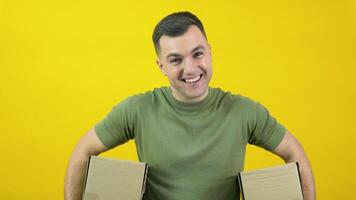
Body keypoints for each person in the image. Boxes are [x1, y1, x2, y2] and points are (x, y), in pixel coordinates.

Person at [64, 11, 316, 200]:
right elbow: (82, 152)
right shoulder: (138, 110)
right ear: (161, 66)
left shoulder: (244, 111)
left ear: (210, 52)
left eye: (197, 54)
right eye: (175, 60)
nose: (191, 68)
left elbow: (296, 155)